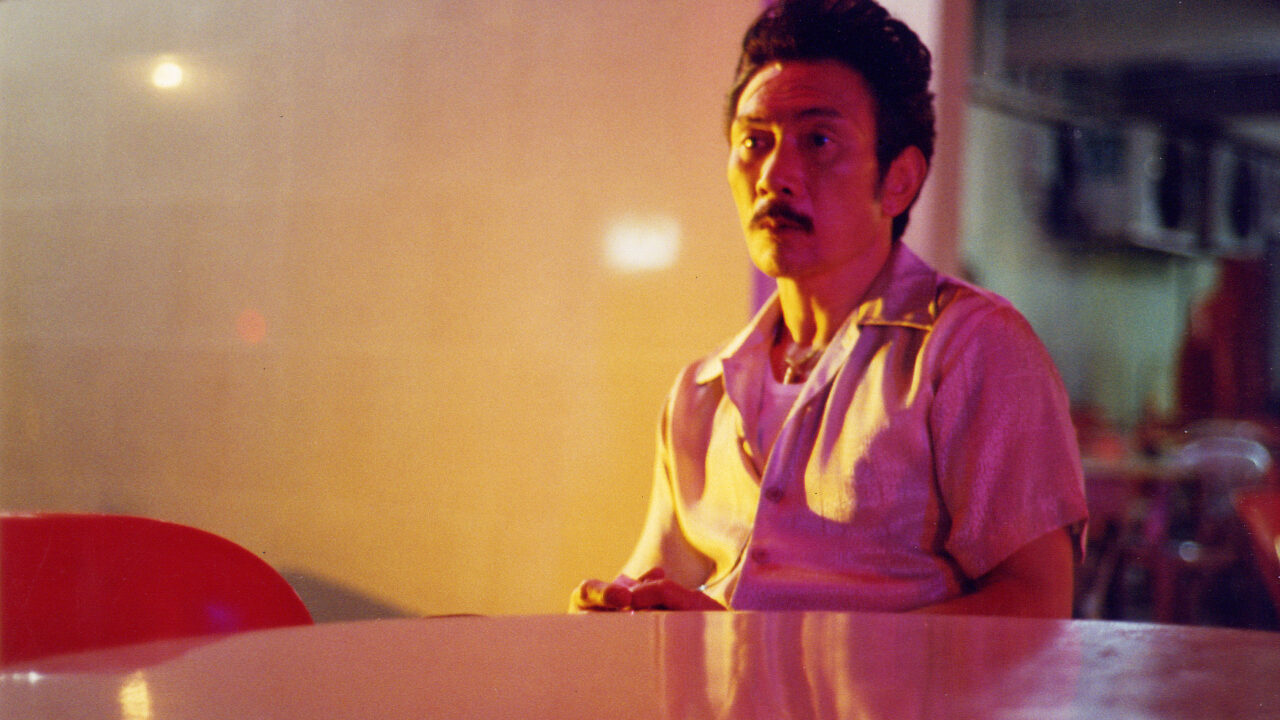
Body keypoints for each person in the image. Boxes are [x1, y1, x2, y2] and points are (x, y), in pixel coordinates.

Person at [572, 0, 1088, 617]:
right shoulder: (702, 392)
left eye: (818, 141)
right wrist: (615, 611)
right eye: (753, 142)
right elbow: (656, 579)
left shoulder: (972, 347)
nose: (775, 175)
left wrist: (759, 651)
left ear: (899, 181)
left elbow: (1036, 605)